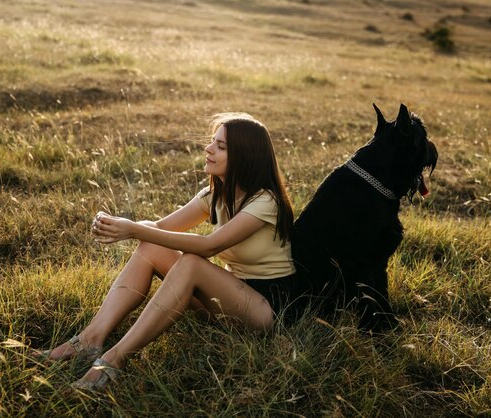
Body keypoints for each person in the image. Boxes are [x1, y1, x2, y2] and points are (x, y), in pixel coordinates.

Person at [33, 113, 304, 390]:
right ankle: (90, 340)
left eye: (221, 146)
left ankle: (113, 360)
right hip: (227, 301)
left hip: (269, 308)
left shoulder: (265, 201)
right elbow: (159, 229)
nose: (208, 149)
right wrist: (116, 225)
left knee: (191, 263)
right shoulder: (214, 195)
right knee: (152, 243)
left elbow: (211, 245)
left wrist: (135, 230)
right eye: (212, 142)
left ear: (245, 156)